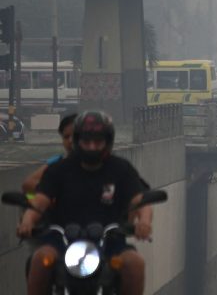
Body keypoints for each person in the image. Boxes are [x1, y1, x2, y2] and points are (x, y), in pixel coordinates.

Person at [17, 110, 154, 295]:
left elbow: (140, 201)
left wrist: (144, 222)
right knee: (40, 260)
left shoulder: (121, 169)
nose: (91, 147)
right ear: (77, 141)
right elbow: (40, 201)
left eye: (97, 142)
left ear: (108, 142)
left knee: (135, 263)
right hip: (61, 242)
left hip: (110, 243)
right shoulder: (59, 170)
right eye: (86, 141)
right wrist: (28, 221)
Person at [21, 113, 76, 195]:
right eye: (66, 137)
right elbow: (27, 185)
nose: (70, 141)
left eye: (75, 136)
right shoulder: (56, 162)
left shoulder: (95, 164)